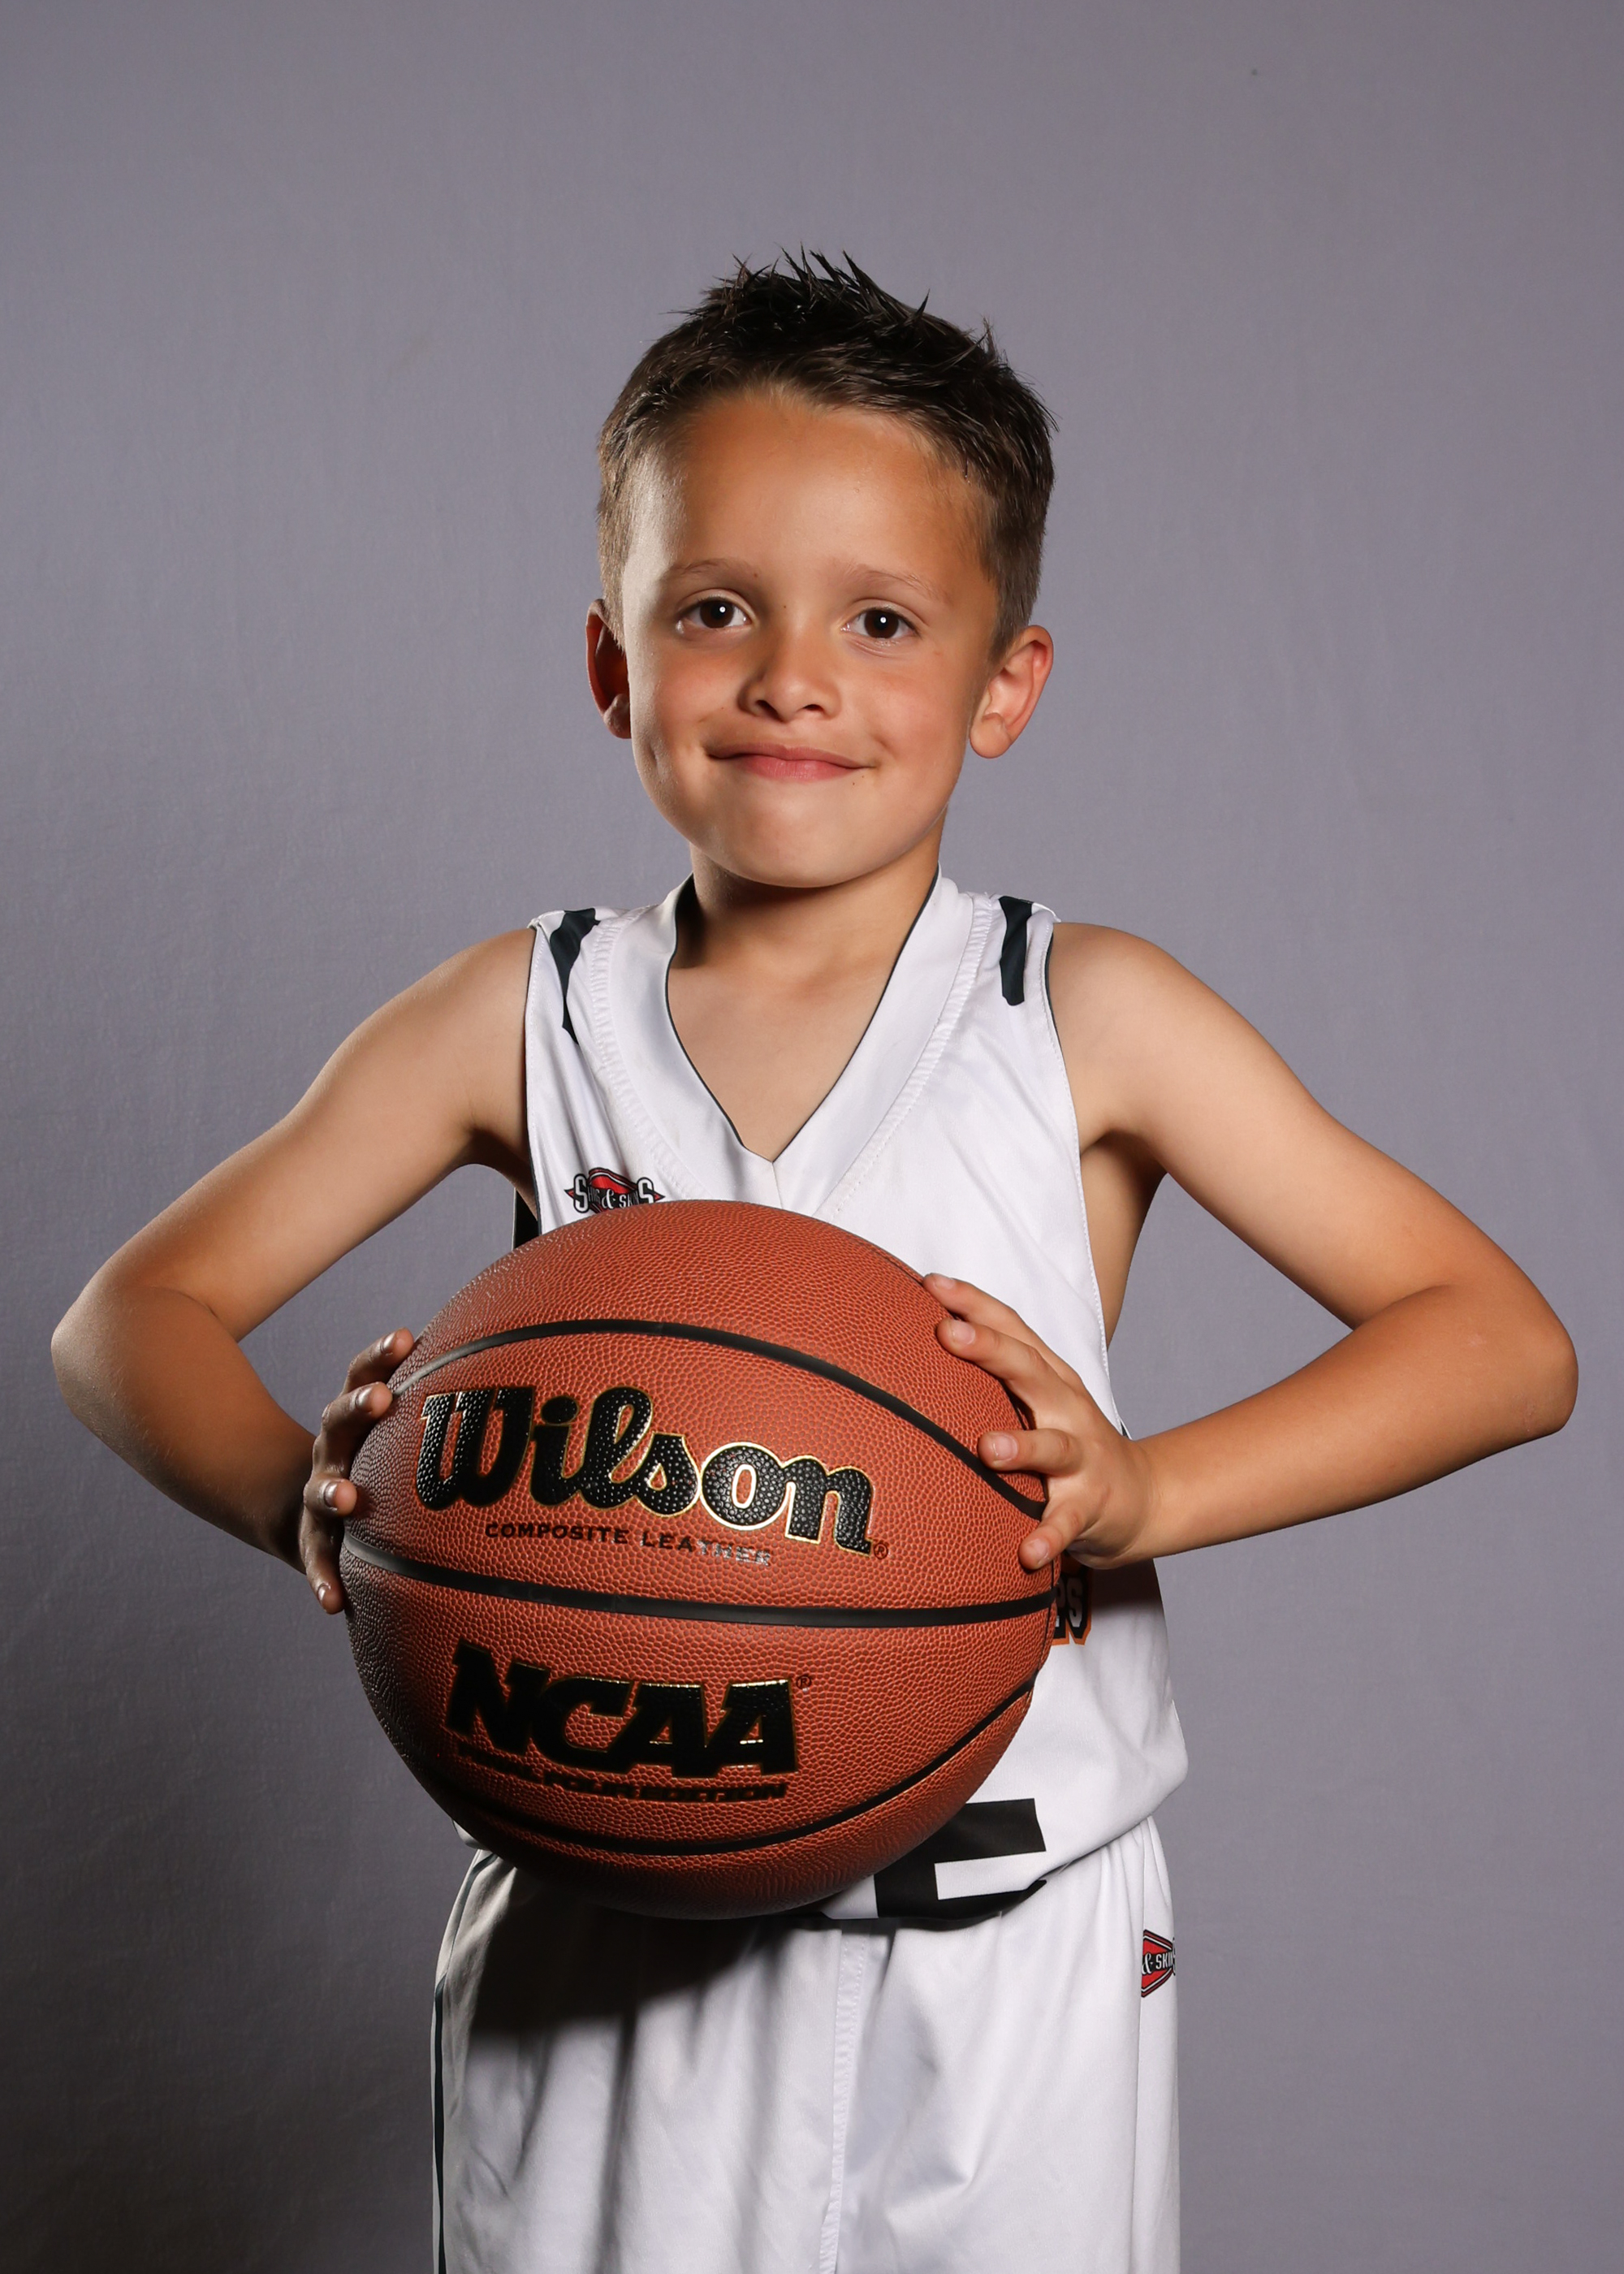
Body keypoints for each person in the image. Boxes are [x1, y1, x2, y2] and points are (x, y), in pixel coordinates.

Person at [52, 255, 1576, 2274]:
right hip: (608, 1924)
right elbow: (123, 1319)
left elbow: (1498, 1340)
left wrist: (1147, 1487)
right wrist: (315, 1501)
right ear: (612, 665)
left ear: (1002, 683)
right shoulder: (521, 1010)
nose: (790, 676)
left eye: (879, 618)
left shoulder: (1082, 1011)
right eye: (713, 609)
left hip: (1005, 1939)